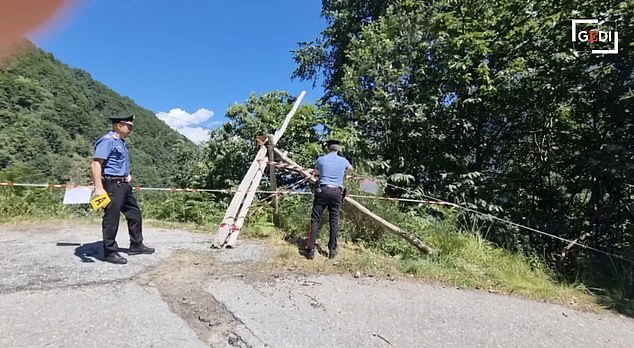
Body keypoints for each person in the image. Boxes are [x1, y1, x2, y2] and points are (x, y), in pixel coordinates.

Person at [91, 114, 154, 264]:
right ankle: (110, 252)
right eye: (129, 126)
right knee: (111, 219)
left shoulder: (121, 143)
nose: (131, 129)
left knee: (134, 213)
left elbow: (117, 164)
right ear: (119, 125)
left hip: (123, 185)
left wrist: (127, 175)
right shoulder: (107, 141)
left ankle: (136, 245)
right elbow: (96, 164)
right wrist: (99, 188)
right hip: (112, 185)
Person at [304, 139, 354, 260]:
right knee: (334, 221)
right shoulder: (344, 161)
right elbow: (351, 170)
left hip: (323, 190)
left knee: (315, 219)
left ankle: (310, 250)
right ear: (338, 149)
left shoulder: (321, 159)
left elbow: (316, 172)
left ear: (328, 148)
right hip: (337, 192)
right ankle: (332, 250)